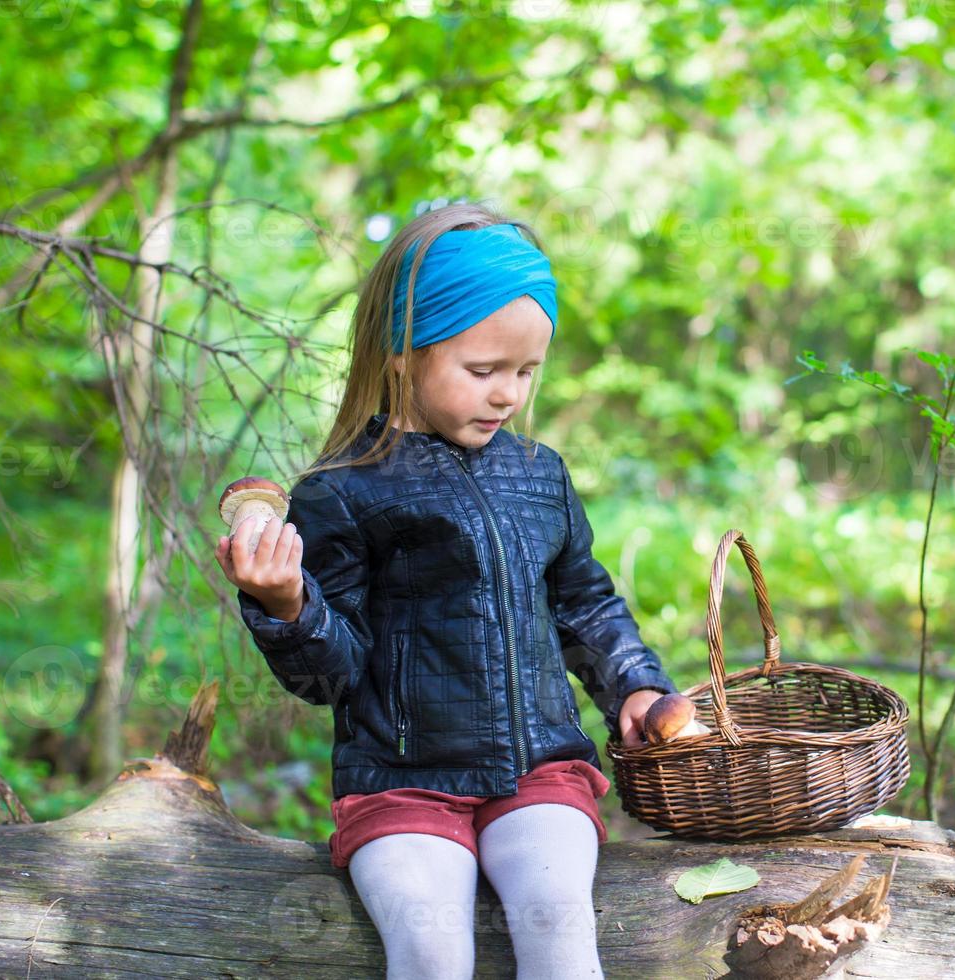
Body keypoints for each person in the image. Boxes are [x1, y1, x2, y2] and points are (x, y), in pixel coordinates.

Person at [214, 201, 679, 979]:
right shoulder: (342, 493)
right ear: (402, 354)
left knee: (559, 922)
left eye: (527, 372)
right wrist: (288, 605)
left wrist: (635, 684)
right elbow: (330, 676)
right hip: (401, 784)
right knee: (430, 950)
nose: (508, 395)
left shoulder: (540, 476)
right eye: (484, 370)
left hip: (538, 774)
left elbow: (583, 602)